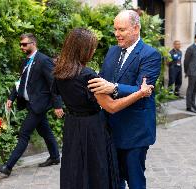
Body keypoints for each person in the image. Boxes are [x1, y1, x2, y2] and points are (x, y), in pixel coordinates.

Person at [52, 28, 154, 189]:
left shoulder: (60, 70)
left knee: (76, 169)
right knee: (96, 171)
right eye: (91, 47)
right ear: (83, 49)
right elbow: (111, 107)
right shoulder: (87, 75)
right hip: (92, 128)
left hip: (72, 126)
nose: (93, 51)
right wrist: (140, 93)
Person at [87, 10, 161, 189]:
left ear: (136, 28)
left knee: (135, 180)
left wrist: (115, 88)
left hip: (135, 131)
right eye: (115, 29)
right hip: (110, 128)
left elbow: (143, 90)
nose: (116, 34)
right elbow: (103, 81)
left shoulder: (150, 55)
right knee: (114, 179)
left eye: (121, 30)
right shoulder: (112, 51)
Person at [0, 33, 63, 176]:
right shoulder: (25, 61)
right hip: (30, 103)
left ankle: (8, 167)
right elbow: (21, 82)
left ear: (33, 43)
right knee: (45, 131)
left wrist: (58, 105)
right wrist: (11, 97)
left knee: (24, 133)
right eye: (20, 44)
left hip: (39, 105)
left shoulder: (44, 60)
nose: (22, 47)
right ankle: (55, 157)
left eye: (24, 44)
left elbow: (54, 83)